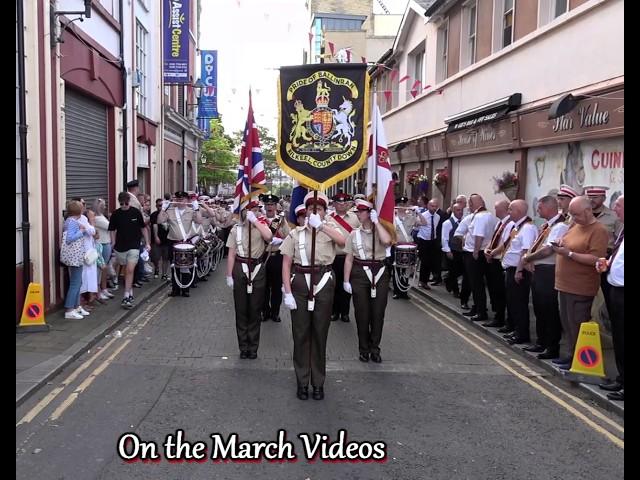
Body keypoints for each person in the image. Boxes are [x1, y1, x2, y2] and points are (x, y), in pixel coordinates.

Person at [281, 192, 345, 400]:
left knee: (320, 334)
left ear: (325, 212)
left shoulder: (329, 230)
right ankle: (302, 381)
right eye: (311, 209)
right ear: (306, 212)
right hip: (300, 282)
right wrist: (287, 292)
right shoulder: (295, 234)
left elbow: (343, 241)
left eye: (319, 209)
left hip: (323, 281)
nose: (314, 211)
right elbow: (286, 264)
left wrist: (322, 226)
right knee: (301, 335)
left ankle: (318, 382)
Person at [551, 196, 608, 370]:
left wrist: (569, 254)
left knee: (577, 321)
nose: (573, 218)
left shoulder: (598, 230)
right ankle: (570, 354)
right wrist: (561, 242)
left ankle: (577, 357)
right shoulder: (575, 224)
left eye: (576, 214)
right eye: (571, 215)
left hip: (581, 286)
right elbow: (569, 241)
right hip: (564, 283)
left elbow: (596, 258)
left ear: (588, 211)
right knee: (567, 321)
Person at [344, 199, 392, 363]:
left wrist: (377, 222)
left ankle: (375, 348)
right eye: (357, 211)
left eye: (362, 211)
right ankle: (363, 348)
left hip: (379, 272)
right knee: (362, 314)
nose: (359, 214)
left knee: (378, 313)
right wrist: (346, 280)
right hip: (359, 273)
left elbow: (387, 242)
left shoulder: (381, 231)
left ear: (370, 213)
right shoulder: (353, 234)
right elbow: (349, 259)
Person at [521, 196, 569, 359]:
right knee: (539, 307)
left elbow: (549, 250)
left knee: (549, 309)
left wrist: (528, 258)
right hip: (540, 270)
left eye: (540, 208)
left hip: (549, 271)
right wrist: (531, 258)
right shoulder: (547, 226)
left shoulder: (559, 226)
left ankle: (552, 346)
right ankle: (541, 342)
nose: (537, 211)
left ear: (550, 208)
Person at [225, 200, 273, 359]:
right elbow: (231, 254)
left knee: (255, 309)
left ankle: (253, 347)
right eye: (250, 210)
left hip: (257, 269)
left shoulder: (261, 226)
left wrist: (256, 221)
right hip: (240, 267)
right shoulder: (236, 229)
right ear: (243, 211)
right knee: (241, 309)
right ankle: (243, 347)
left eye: (257, 209)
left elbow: (269, 236)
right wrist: (229, 275)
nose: (254, 212)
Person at [493, 200, 538, 344]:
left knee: (519, 303)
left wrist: (519, 270)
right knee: (513, 302)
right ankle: (516, 329)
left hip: (519, 271)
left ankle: (522, 334)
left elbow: (525, 251)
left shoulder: (528, 228)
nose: (508, 212)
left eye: (511, 209)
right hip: (510, 269)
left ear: (519, 211)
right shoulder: (517, 227)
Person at [597, 195, 624, 400]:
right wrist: (607, 263)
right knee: (618, 336)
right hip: (615, 289)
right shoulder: (622, 229)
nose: (615, 209)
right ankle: (621, 379)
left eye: (619, 205)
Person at [108, 192, 150, 309]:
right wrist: (113, 242)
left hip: (134, 245)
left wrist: (147, 243)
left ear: (129, 202)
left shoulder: (135, 212)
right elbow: (112, 229)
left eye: (126, 203)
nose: (124, 206)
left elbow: (143, 228)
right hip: (120, 247)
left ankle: (126, 296)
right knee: (126, 270)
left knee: (130, 269)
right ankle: (129, 290)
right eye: (121, 204)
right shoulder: (116, 214)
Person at [158, 191, 203, 297]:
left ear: (187, 200)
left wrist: (197, 209)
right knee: (174, 266)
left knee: (187, 266)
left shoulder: (191, 211)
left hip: (185, 243)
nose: (180, 202)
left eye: (182, 199)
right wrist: (163, 209)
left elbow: (200, 221)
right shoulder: (170, 210)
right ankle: (175, 289)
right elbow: (159, 221)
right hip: (173, 242)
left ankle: (185, 289)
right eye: (177, 200)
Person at [460, 194, 497, 321]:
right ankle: (477, 307)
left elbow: (479, 236)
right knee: (478, 283)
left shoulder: (480, 217)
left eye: (469, 204)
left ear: (471, 204)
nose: (469, 207)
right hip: (483, 252)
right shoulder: (490, 215)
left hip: (475, 253)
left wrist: (475, 252)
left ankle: (481, 311)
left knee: (476, 284)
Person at [329, 192, 360, 322]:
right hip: (333, 256)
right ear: (334, 204)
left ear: (348, 204)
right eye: (339, 202)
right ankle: (334, 311)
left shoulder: (355, 218)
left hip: (349, 257)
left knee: (347, 285)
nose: (342, 204)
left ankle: (345, 312)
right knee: (333, 286)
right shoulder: (328, 218)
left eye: (344, 202)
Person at [261, 194, 291, 323]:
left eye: (272, 204)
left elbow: (289, 237)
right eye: (267, 205)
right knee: (263, 287)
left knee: (277, 287)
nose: (269, 207)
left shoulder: (281, 220)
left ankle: (275, 312)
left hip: (277, 257)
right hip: (263, 257)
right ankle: (265, 311)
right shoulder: (260, 221)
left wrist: (280, 240)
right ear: (264, 206)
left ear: (276, 206)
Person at [482, 199, 511, 329]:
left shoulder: (509, 224)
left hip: (499, 260)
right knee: (493, 289)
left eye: (497, 208)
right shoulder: (499, 223)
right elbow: (493, 239)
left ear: (504, 209)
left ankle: (500, 318)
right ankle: (497, 315)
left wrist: (492, 252)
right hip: (492, 258)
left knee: (499, 291)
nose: (495, 210)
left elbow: (505, 243)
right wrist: (487, 250)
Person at [62, 200, 92, 319]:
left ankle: (76, 306)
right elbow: (69, 238)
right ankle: (69, 309)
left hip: (75, 255)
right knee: (75, 283)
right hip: (75, 256)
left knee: (78, 282)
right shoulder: (73, 222)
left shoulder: (70, 221)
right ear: (79, 211)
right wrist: (82, 231)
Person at [392, 196, 417, 299]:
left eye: (404, 205)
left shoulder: (410, 217)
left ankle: (405, 292)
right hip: (397, 246)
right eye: (400, 205)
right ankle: (396, 291)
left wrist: (418, 212)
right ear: (396, 206)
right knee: (397, 269)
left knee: (406, 270)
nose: (402, 207)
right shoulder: (392, 218)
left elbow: (424, 223)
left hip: (408, 247)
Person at [584, 186, 622, 252]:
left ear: (604, 199)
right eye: (589, 197)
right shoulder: (582, 215)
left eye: (595, 197)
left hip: (605, 254)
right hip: (583, 253)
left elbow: (619, 239)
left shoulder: (614, 216)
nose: (591, 200)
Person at [416, 198, 444, 288]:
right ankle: (422, 281)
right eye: (432, 206)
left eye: (436, 206)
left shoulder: (438, 217)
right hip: (423, 240)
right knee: (424, 261)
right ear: (428, 206)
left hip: (433, 241)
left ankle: (427, 280)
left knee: (431, 261)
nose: (434, 208)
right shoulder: (422, 215)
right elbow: (416, 228)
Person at [441, 202, 467, 301]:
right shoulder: (447, 223)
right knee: (453, 270)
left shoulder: (464, 222)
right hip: (452, 250)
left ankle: (448, 280)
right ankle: (456, 291)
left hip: (462, 250)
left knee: (461, 270)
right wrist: (447, 251)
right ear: (453, 211)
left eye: (461, 210)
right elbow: (444, 238)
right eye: (458, 210)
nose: (460, 212)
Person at [91, 198, 115, 301]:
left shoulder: (102, 217)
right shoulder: (97, 219)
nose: (105, 207)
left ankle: (103, 288)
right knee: (101, 268)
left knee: (103, 268)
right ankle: (98, 291)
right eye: (103, 205)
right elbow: (111, 227)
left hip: (106, 243)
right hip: (102, 244)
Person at [150, 198, 171, 281]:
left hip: (167, 240)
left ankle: (164, 274)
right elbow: (154, 225)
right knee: (156, 258)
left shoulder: (168, 214)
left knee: (166, 258)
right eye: (159, 205)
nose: (161, 207)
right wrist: (156, 237)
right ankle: (156, 268)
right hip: (157, 240)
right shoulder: (154, 215)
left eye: (162, 205)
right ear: (156, 206)